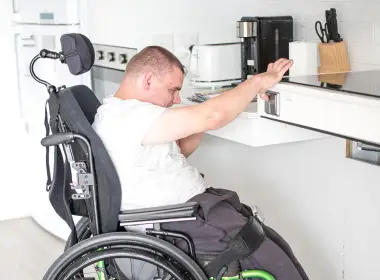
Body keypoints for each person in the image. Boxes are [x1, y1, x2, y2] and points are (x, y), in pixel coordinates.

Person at [92, 45, 293, 210]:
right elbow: (213, 115)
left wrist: (205, 114)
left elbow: (178, 151)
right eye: (173, 90)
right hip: (181, 218)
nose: (176, 99)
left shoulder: (119, 111)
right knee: (268, 253)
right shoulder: (131, 115)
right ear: (148, 80)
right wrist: (256, 82)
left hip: (193, 208)